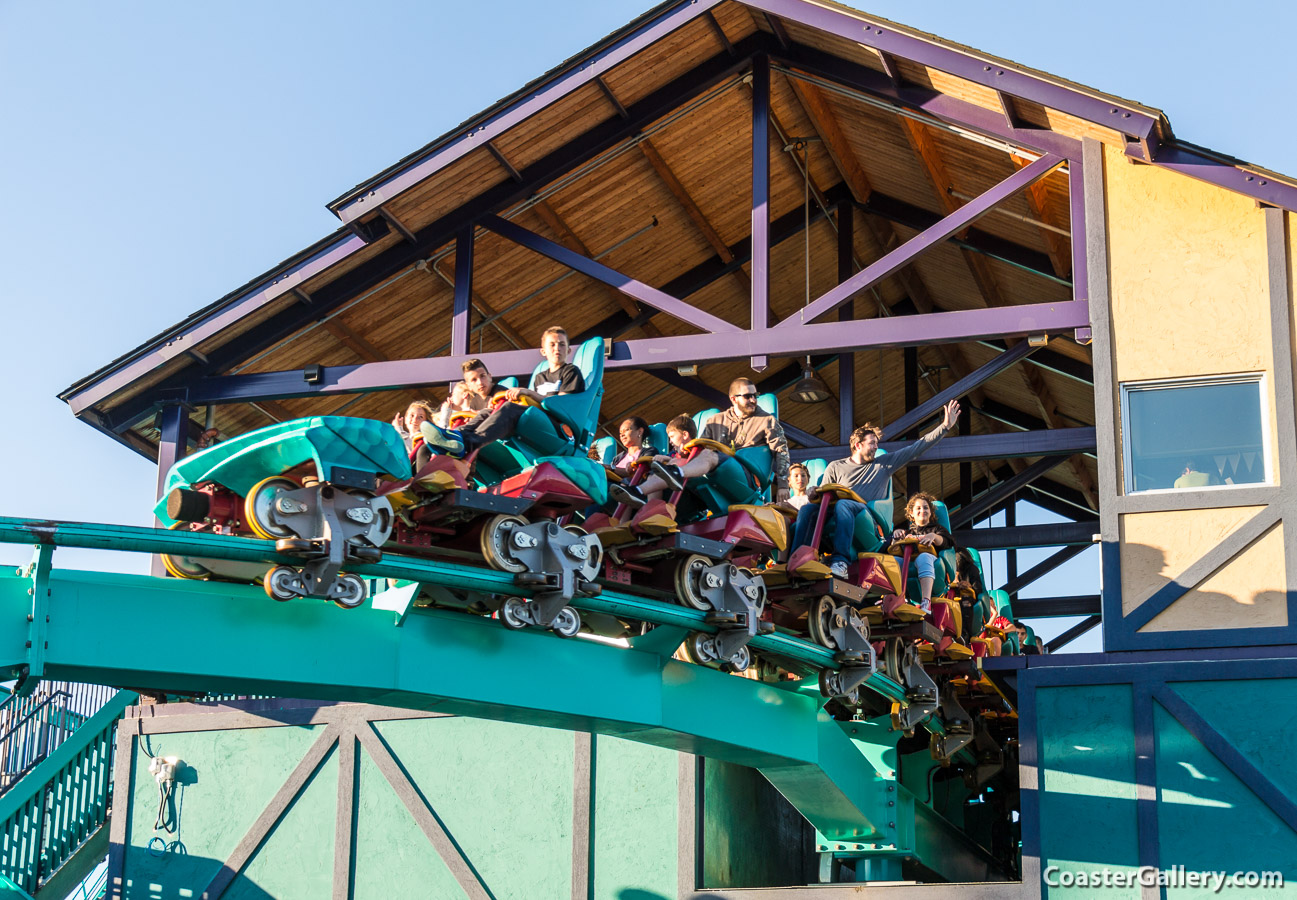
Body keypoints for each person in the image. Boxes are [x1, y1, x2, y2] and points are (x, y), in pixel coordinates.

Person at [790, 399, 960, 580]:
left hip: (864, 516)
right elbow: (822, 494)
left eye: (876, 443)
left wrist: (944, 427)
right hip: (836, 512)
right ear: (858, 445)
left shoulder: (883, 464)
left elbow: (915, 449)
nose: (876, 447)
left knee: (844, 505)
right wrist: (814, 491)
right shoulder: (835, 467)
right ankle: (797, 558)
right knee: (808, 510)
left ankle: (840, 561)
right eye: (872, 443)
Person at [611, 377, 789, 505]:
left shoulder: (767, 421)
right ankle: (639, 493)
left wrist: (782, 485)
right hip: (717, 470)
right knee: (674, 462)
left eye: (754, 395)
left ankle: (677, 474)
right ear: (733, 399)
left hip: (747, 477)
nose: (752, 400)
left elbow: (781, 452)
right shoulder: (716, 421)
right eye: (747, 396)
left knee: (709, 456)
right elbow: (697, 449)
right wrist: (671, 459)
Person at [419, 326, 584, 458]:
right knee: (486, 412)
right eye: (552, 345)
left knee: (508, 408)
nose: (557, 349)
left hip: (558, 429)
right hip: (539, 418)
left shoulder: (570, 372)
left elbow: (562, 407)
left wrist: (527, 393)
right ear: (543, 351)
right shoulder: (540, 376)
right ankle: (452, 436)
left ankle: (467, 444)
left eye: (562, 344)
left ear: (569, 350)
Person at [890, 491, 954, 610]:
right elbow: (894, 550)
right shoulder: (908, 533)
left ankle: (926, 601)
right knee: (892, 561)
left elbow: (948, 541)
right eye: (918, 508)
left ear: (930, 512)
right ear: (911, 513)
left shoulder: (936, 528)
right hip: (909, 563)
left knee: (923, 557)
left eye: (926, 508)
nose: (922, 511)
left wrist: (934, 537)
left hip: (933, 564)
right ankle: (892, 597)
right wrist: (895, 537)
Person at [436, 359, 495, 427]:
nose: (480, 382)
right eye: (474, 380)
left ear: (490, 376)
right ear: (469, 385)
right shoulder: (474, 403)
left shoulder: (499, 392)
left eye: (482, 376)